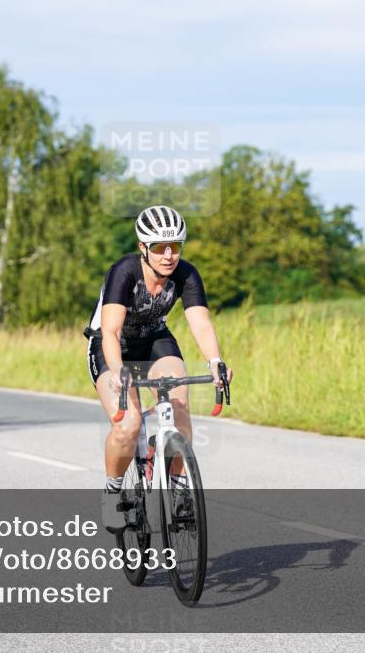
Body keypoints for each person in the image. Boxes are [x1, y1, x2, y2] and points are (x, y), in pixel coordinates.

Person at [84, 205, 233, 533]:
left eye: (175, 247)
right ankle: (112, 492)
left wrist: (215, 362)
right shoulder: (123, 271)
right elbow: (110, 330)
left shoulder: (187, 274)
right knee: (129, 424)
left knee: (179, 405)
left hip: (155, 340)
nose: (168, 256)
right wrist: (119, 371)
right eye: (159, 248)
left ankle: (177, 486)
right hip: (111, 344)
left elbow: (200, 322)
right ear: (143, 248)